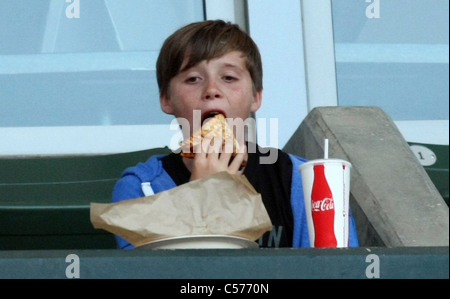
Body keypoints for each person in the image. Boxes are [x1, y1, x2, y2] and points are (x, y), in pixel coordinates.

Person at [112, 19, 359, 249]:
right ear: (167, 99)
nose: (212, 90)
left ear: (255, 97)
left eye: (229, 77)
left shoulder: (304, 183)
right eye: (193, 78)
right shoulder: (141, 189)